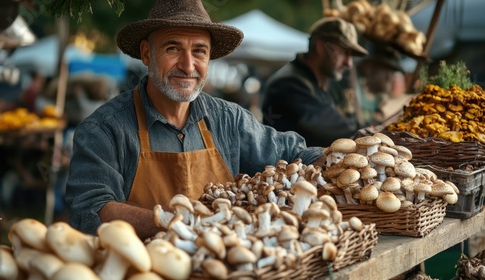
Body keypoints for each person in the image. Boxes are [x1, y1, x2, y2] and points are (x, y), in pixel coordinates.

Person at [65, 0, 324, 240]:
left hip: (220, 267)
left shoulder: (229, 121)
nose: (188, 66)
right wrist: (180, 224)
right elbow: (90, 210)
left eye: (199, 51)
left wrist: (340, 157)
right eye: (173, 48)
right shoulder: (104, 130)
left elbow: (295, 154)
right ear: (146, 54)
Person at [261, 17, 368, 147]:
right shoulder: (288, 85)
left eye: (351, 56)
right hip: (287, 166)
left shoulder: (316, 83)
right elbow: (340, 131)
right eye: (344, 52)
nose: (349, 63)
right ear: (320, 47)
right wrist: (371, 131)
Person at [355, 47, 412, 125]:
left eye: (391, 74)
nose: (391, 78)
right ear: (371, 67)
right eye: (386, 76)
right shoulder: (354, 82)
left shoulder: (379, 100)